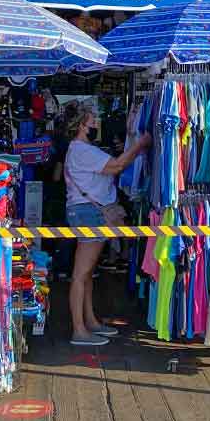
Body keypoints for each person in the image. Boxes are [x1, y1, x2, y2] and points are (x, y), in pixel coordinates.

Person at [62, 101, 151, 346]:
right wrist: (139, 145)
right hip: (88, 213)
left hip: (89, 212)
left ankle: (89, 321)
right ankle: (79, 330)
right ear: (82, 125)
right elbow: (117, 166)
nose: (96, 124)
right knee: (81, 273)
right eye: (92, 121)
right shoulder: (81, 150)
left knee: (88, 272)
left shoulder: (80, 149)